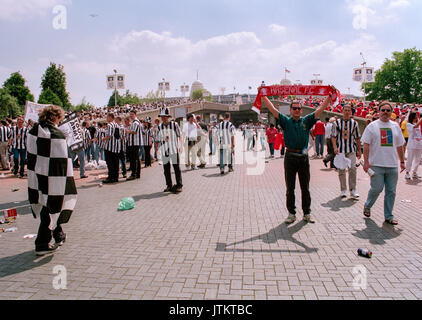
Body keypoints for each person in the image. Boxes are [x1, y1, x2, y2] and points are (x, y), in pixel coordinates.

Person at [262, 87, 335, 224]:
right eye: (294, 108)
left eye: (298, 108)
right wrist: (263, 95)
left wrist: (329, 97)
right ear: (290, 110)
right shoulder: (286, 121)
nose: (296, 110)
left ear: (301, 110)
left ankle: (307, 213)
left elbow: (319, 110)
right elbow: (272, 109)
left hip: (303, 157)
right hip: (289, 157)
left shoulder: (306, 120)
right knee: (290, 188)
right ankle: (291, 213)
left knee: (305, 187)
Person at [27, 105, 77, 256]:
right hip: (54, 178)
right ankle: (42, 243)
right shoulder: (57, 134)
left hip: (37, 175)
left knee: (47, 205)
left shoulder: (33, 132)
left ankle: (58, 235)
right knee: (51, 207)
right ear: (55, 117)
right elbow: (62, 160)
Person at [362, 101, 406, 225]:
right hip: (376, 164)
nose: (385, 113)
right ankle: (368, 205)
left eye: (388, 110)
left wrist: (402, 161)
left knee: (391, 192)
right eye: (383, 110)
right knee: (377, 188)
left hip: (392, 165)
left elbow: (400, 145)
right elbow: (366, 145)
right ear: (378, 111)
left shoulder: (395, 126)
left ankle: (389, 216)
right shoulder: (372, 126)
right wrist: (366, 162)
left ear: (391, 113)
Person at [331, 104, 362, 199]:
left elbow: (357, 138)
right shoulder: (337, 123)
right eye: (345, 110)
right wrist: (335, 147)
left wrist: (359, 151)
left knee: (352, 168)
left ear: (351, 112)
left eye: (349, 110)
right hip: (341, 150)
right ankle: (343, 190)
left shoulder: (354, 123)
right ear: (342, 111)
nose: (347, 112)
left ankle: (353, 190)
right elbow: (333, 136)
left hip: (351, 149)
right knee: (341, 169)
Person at [156, 107, 183, 193]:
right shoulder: (160, 126)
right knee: (166, 169)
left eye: (165, 116)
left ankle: (179, 185)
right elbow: (158, 138)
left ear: (168, 117)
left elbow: (179, 135)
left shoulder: (174, 125)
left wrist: (180, 146)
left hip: (173, 148)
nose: (163, 118)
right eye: (162, 116)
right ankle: (169, 185)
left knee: (176, 168)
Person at [102, 112, 121, 184]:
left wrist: (103, 139)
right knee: (116, 163)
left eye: (107, 117)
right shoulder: (117, 125)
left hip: (109, 147)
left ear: (110, 117)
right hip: (116, 147)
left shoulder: (109, 125)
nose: (106, 118)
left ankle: (111, 177)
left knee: (110, 163)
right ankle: (115, 177)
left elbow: (109, 136)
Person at [404, 112, 422, 180]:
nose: (417, 117)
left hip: (419, 144)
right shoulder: (409, 124)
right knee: (410, 159)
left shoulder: (418, 125)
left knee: (418, 159)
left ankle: (414, 172)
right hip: (412, 144)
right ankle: (407, 172)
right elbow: (415, 127)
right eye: (416, 116)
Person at [126, 111, 141, 181]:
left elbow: (134, 131)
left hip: (134, 143)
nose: (131, 116)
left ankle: (134, 174)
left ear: (135, 115)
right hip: (134, 143)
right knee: (136, 159)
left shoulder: (135, 122)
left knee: (134, 159)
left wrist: (128, 131)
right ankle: (137, 173)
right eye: (130, 114)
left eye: (132, 114)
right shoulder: (134, 122)